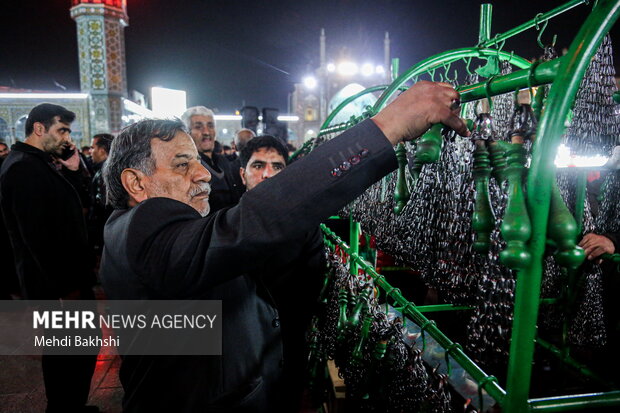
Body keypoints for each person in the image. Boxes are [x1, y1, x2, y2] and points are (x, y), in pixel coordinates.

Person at [100, 81, 466, 411]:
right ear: (136, 183)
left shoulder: (138, 233)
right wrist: (388, 127)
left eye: (198, 162)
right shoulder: (143, 229)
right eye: (182, 165)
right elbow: (253, 222)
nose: (204, 174)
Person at [0, 103, 99, 412]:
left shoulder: (37, 163)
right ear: (39, 129)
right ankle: (65, 407)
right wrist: (64, 290)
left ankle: (70, 405)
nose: (67, 138)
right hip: (57, 286)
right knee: (69, 352)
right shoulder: (23, 168)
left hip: (62, 282)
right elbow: (36, 238)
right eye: (62, 130)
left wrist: (73, 169)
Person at [239, 135, 325, 409]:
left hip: (288, 348)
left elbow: (310, 288)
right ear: (243, 174)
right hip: (239, 356)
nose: (268, 174)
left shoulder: (305, 226)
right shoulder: (223, 227)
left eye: (277, 167)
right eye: (258, 165)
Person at [181, 106, 243, 213]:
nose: (206, 132)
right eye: (198, 127)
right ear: (187, 133)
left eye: (210, 126)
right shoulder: (185, 168)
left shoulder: (224, 162)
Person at [88, 133, 114, 258]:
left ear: (102, 151)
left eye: (92, 148)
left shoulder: (105, 174)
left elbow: (103, 210)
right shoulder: (110, 169)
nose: (90, 151)